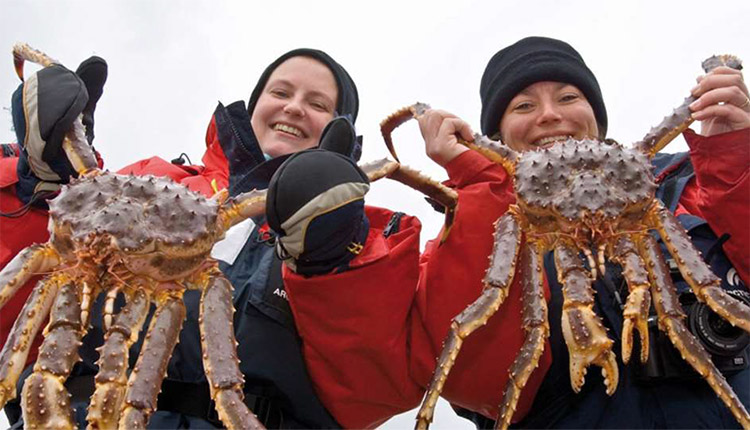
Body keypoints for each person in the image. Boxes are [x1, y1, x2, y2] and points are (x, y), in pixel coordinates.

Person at [414, 36, 750, 428]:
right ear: (497, 141)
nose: (549, 115)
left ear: (596, 116)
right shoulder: (482, 224)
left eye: (568, 97)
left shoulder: (688, 183)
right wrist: (477, 191)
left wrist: (733, 160)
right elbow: (469, 383)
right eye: (524, 106)